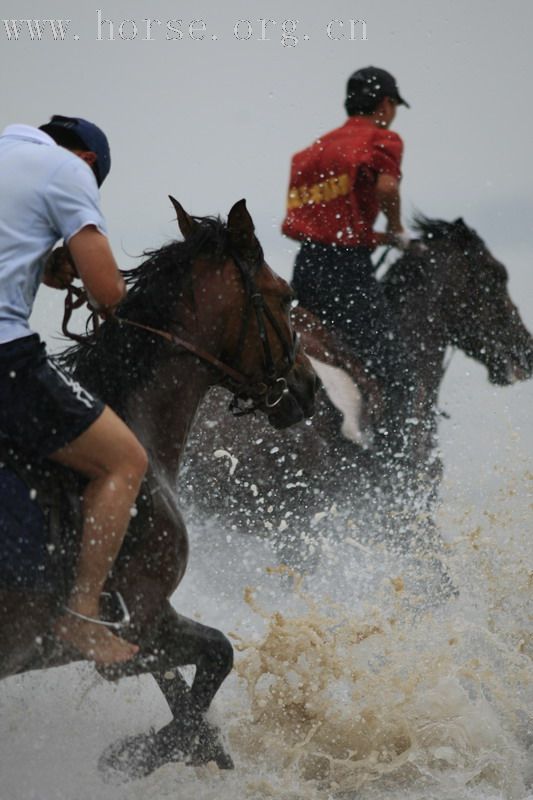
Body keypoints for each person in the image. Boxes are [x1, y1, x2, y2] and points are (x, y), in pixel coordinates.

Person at [0, 115, 148, 664]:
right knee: (124, 461)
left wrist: (43, 263)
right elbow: (108, 292)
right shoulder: (67, 169)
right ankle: (81, 614)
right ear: (88, 162)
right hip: (4, 356)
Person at [282, 66, 412, 407]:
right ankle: (391, 459)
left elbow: (326, 222)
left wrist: (376, 237)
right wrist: (396, 228)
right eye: (393, 108)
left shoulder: (308, 154)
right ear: (385, 105)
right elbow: (386, 187)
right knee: (398, 375)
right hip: (347, 275)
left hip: (306, 269)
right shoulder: (381, 139)